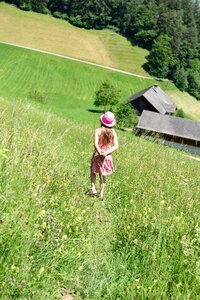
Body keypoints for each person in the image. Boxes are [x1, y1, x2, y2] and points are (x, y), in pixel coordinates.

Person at [88, 111, 118, 200]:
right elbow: (116, 146)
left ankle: (93, 188)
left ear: (102, 121)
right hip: (107, 157)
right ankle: (101, 194)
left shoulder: (98, 130)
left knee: (93, 171)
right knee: (102, 175)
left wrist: (100, 152)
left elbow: (95, 144)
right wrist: (106, 152)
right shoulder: (113, 132)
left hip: (97, 155)